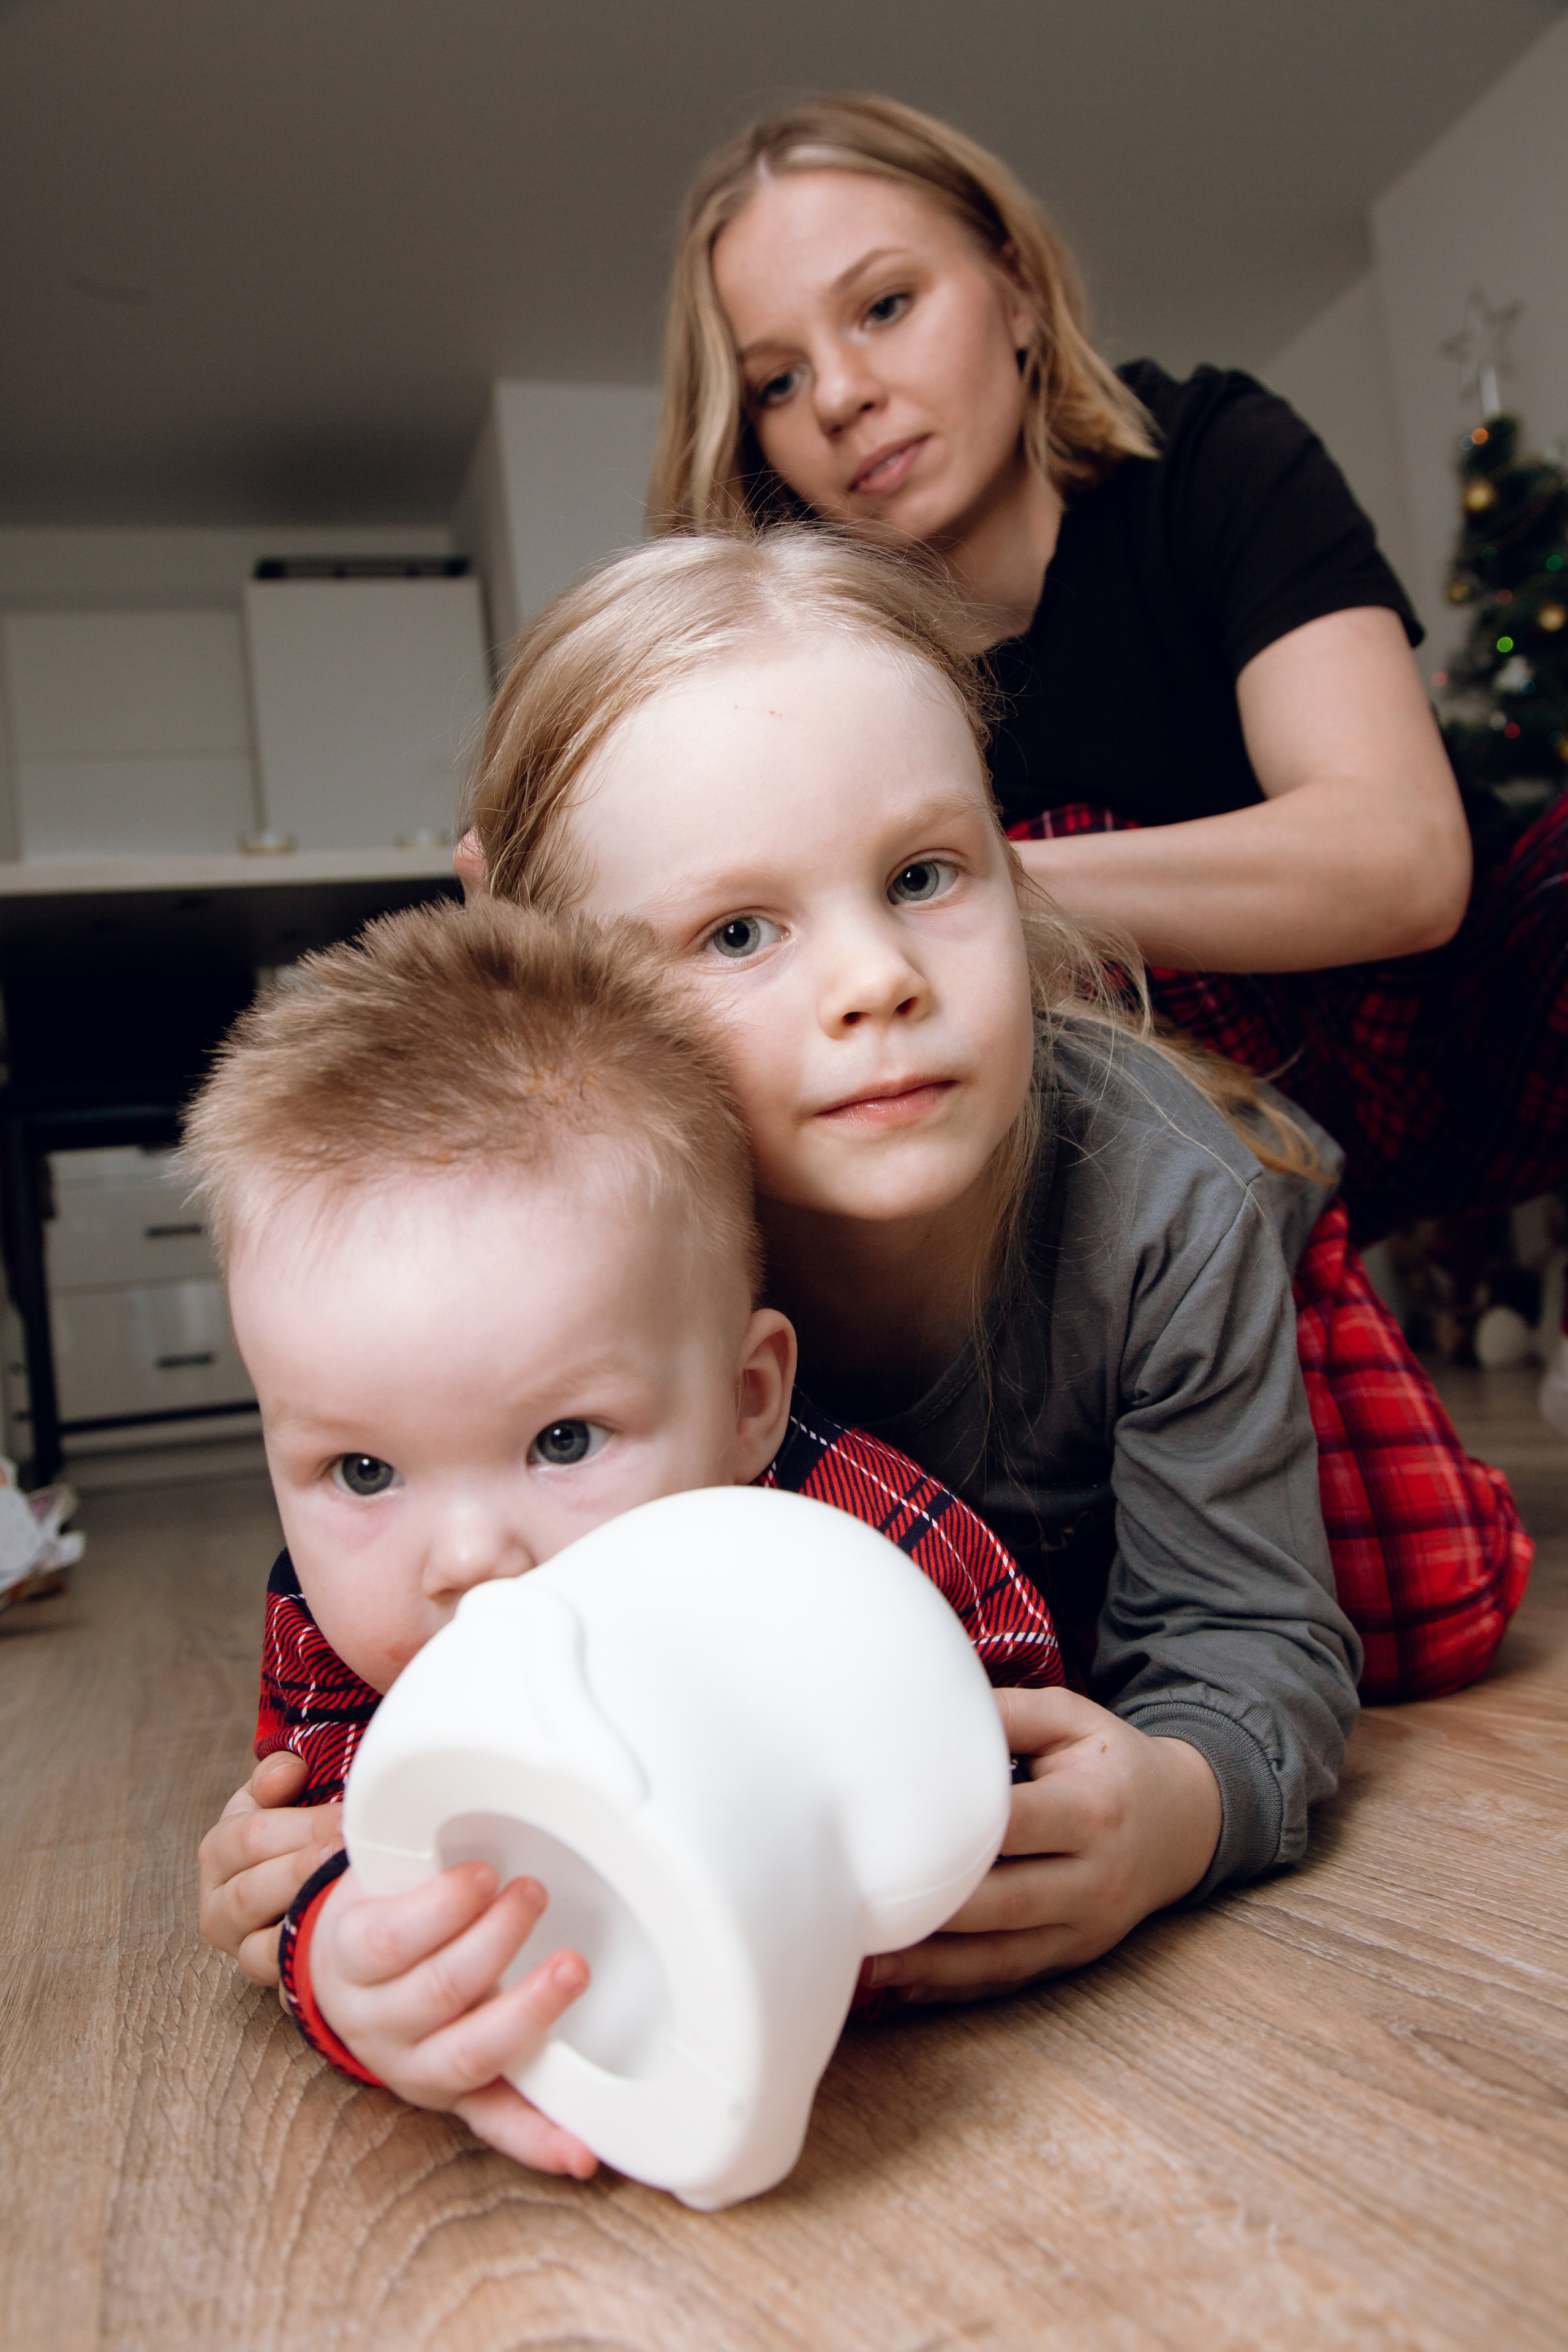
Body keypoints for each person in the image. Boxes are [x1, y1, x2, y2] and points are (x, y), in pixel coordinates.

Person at [464, 524, 1392, 2008]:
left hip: (1231, 1249)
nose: (876, 981)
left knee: (1422, 1598)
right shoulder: (550, 1251)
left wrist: (1176, 1812)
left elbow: (1249, 1636)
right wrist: (351, 1837)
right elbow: (453, 1585)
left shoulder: (1162, 1211)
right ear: (548, 973)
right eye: (738, 931)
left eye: (919, 876)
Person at [190, 895, 1063, 2173]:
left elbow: (1009, 1746)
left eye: (563, 1442)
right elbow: (339, 1850)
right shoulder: (341, 1631)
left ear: (746, 1403)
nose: (466, 1561)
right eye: (362, 1470)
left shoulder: (846, 1550)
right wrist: (331, 1959)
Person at [636, 92, 1568, 1260]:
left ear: (1018, 290)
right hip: (1176, 1157)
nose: (838, 396)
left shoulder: (1216, 453)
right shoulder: (807, 684)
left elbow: (1405, 861)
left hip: (1461, 1028)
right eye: (776, 381)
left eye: (884, 307)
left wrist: (975, 887)